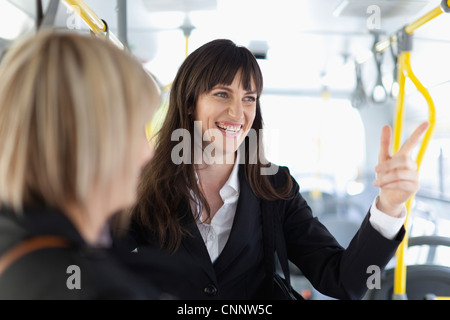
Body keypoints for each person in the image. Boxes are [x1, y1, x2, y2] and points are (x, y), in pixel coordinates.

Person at [118, 39, 430, 300]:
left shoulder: (275, 187)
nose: (237, 113)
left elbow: (342, 281)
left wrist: (389, 206)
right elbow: (97, 262)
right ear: (189, 103)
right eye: (222, 94)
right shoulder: (144, 185)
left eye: (249, 98)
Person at [0, 30, 185, 300]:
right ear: (90, 142)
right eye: (135, 130)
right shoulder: (96, 289)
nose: (147, 154)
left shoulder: (17, 241)